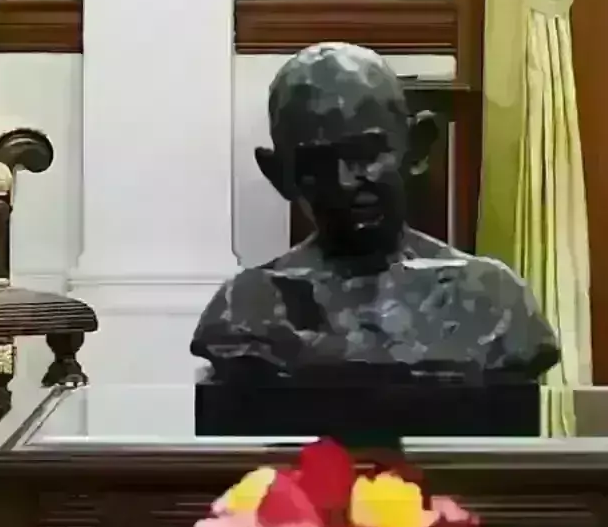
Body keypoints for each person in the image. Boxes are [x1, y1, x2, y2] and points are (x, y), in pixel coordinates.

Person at [189, 42, 560, 383]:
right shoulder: (246, 309)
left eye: (365, 153)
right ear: (281, 175)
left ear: (417, 148)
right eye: (316, 163)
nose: (344, 180)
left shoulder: (492, 302)